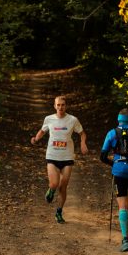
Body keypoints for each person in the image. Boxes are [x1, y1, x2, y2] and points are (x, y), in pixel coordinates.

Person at [31, 95, 88, 223]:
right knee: (54, 184)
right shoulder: (49, 119)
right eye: (58, 105)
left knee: (63, 187)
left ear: (65, 106)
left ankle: (59, 212)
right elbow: (42, 131)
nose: (60, 107)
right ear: (54, 106)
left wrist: (83, 143)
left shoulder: (73, 120)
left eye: (63, 105)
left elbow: (82, 133)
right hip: (52, 156)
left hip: (67, 157)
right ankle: (51, 190)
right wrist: (36, 138)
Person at [100, 108, 128, 252]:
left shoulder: (112, 133)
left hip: (119, 171)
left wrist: (114, 163)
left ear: (119, 119)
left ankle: (125, 240)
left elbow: (103, 156)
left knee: (122, 205)